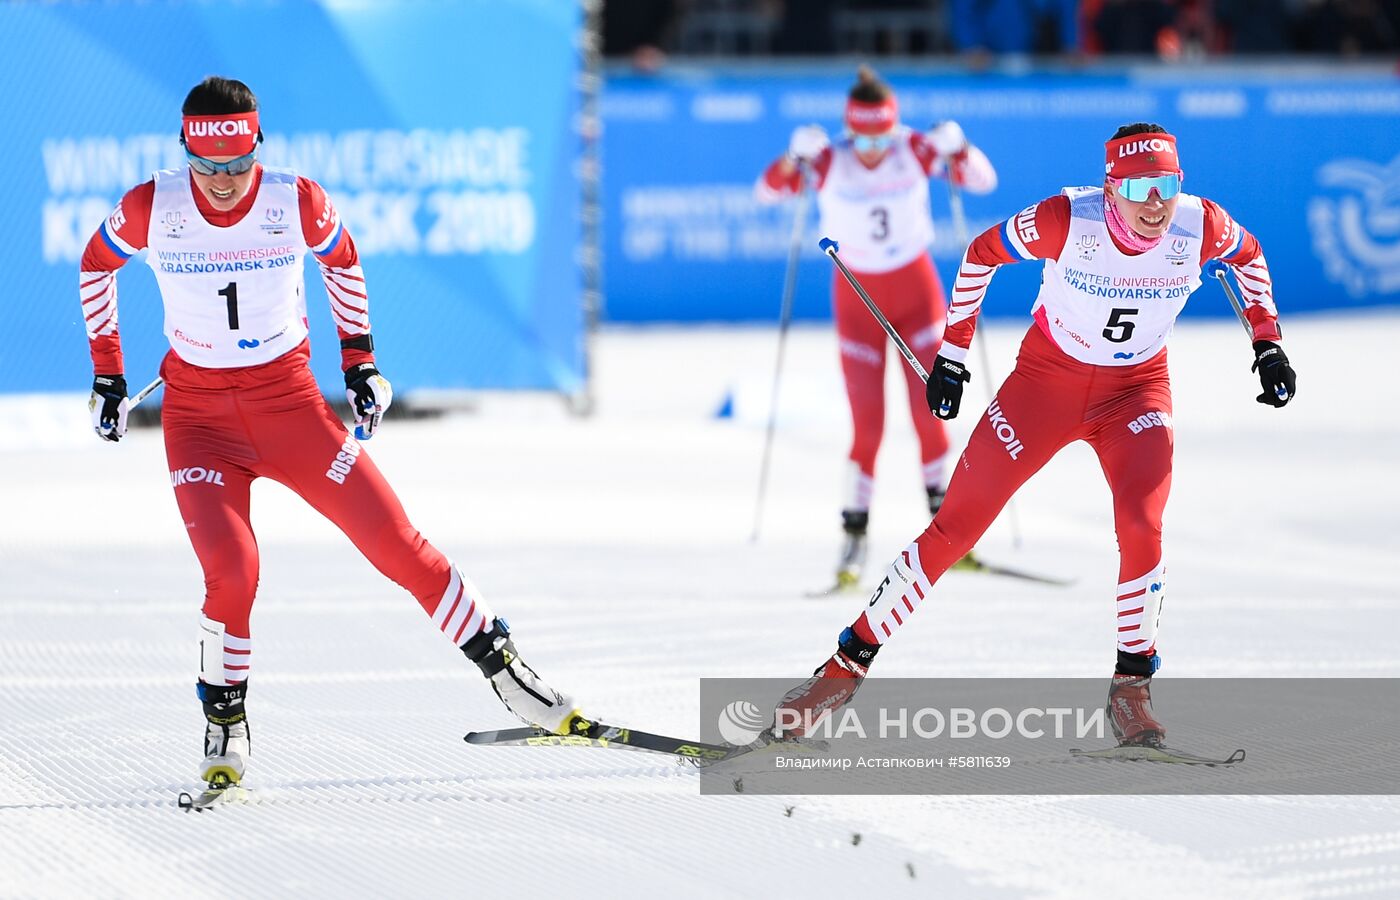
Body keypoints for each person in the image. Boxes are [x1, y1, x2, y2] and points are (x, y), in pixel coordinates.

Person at [79, 77, 587, 790]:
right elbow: (95, 268)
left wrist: (361, 363)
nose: (223, 185)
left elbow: (342, 261)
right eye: (207, 168)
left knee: (395, 543)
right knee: (234, 570)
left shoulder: (295, 200)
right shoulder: (150, 207)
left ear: (257, 147)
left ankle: (504, 670)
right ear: (186, 155)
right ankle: (224, 717)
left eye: (236, 166)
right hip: (199, 425)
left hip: (291, 410)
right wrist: (108, 375)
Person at [773, 123, 1296, 747]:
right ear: (1111, 189)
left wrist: (1268, 347)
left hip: (1136, 393)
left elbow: (1251, 257)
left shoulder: (1199, 223)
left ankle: (1132, 690)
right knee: (955, 529)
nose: (1154, 202)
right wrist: (952, 356)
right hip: (1044, 388)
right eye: (1138, 187)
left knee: (1141, 521)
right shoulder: (1064, 219)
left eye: (1166, 184)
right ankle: (841, 670)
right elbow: (979, 254)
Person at [754, 66, 998, 592]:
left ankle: (951, 534)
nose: (871, 149)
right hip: (858, 299)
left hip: (916, 294)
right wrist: (791, 157)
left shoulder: (913, 147)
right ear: (849, 130)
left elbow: (983, 181)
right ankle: (854, 537)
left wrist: (961, 148)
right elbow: (767, 192)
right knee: (868, 427)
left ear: (894, 126)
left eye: (880, 136)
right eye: (862, 136)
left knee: (932, 413)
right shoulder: (829, 158)